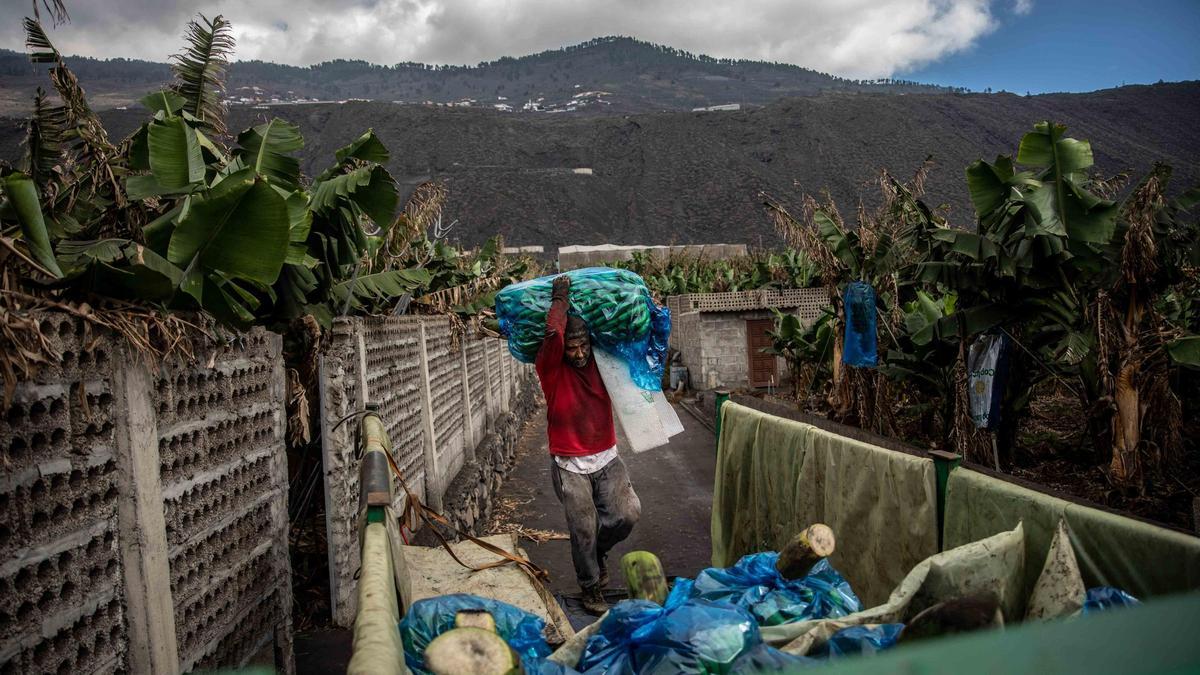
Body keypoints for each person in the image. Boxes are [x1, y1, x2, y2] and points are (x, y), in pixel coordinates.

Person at [535, 274, 641, 615]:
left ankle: (598, 553)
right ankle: (591, 586)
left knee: (626, 515)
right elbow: (553, 333)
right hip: (569, 464)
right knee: (582, 528)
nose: (578, 353)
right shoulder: (550, 368)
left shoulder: (603, 363)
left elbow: (629, 335)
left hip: (607, 456)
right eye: (572, 348)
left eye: (583, 346)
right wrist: (560, 298)